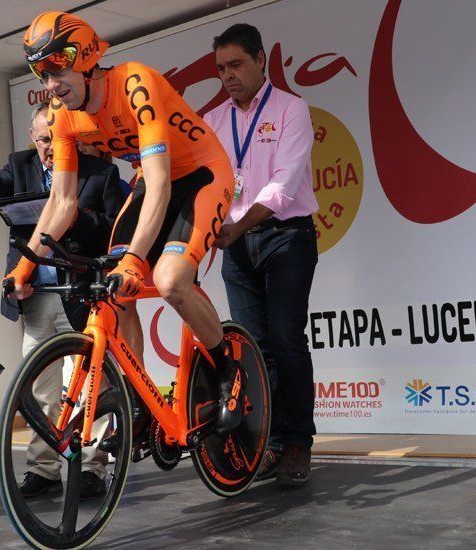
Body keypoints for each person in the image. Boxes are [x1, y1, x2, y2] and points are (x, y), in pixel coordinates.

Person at [7, 11, 244, 437]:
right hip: (153, 181)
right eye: (41, 72)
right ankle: (138, 398)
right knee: (114, 288)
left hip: (201, 175)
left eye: (58, 68)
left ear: (86, 59)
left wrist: (137, 257)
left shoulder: (136, 84)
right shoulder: (62, 116)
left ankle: (229, 371)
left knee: (170, 281)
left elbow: (159, 186)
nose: (51, 84)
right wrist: (26, 263)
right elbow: (62, 203)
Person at [0, 99, 125, 499]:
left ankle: (92, 467)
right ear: (31, 138)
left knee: (93, 381)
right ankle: (43, 469)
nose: (50, 148)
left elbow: (113, 230)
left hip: (81, 292)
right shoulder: (20, 165)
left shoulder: (99, 172)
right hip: (37, 293)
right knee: (39, 385)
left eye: (56, 139)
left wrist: (74, 217)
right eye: (43, 140)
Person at [203, 23, 319, 486]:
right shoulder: (212, 120)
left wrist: (236, 226)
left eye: (236, 65)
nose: (227, 75)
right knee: (253, 348)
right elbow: (202, 180)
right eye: (220, 69)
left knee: (287, 340)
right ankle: (267, 445)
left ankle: (297, 444)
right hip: (235, 241)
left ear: (260, 61)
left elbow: (284, 185)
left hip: (285, 235)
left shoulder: (293, 109)